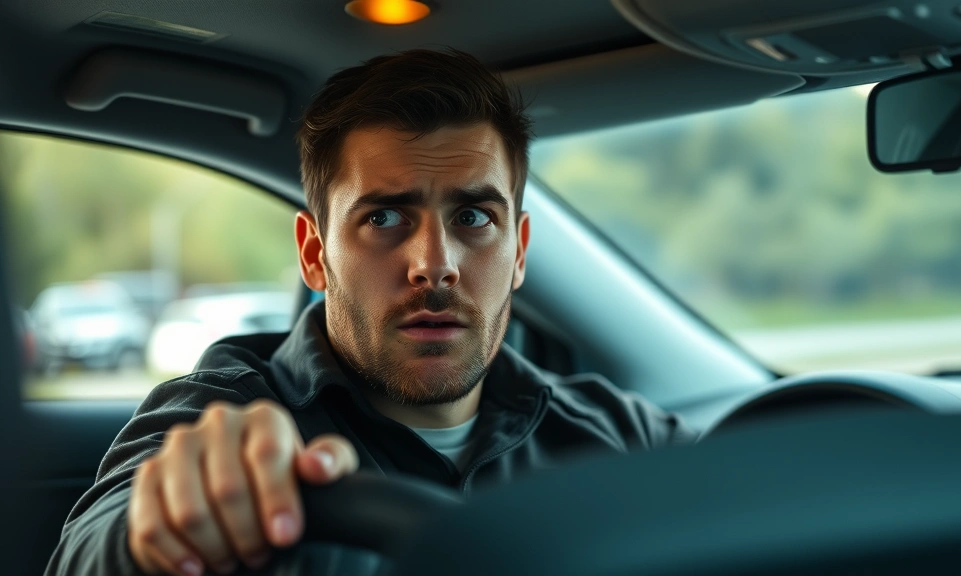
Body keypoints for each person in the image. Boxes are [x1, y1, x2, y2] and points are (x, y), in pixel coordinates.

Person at [45, 48, 693, 576]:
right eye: (384, 217)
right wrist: (158, 530)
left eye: (473, 216)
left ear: (518, 252)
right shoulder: (222, 414)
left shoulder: (621, 436)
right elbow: (92, 548)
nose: (433, 264)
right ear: (314, 253)